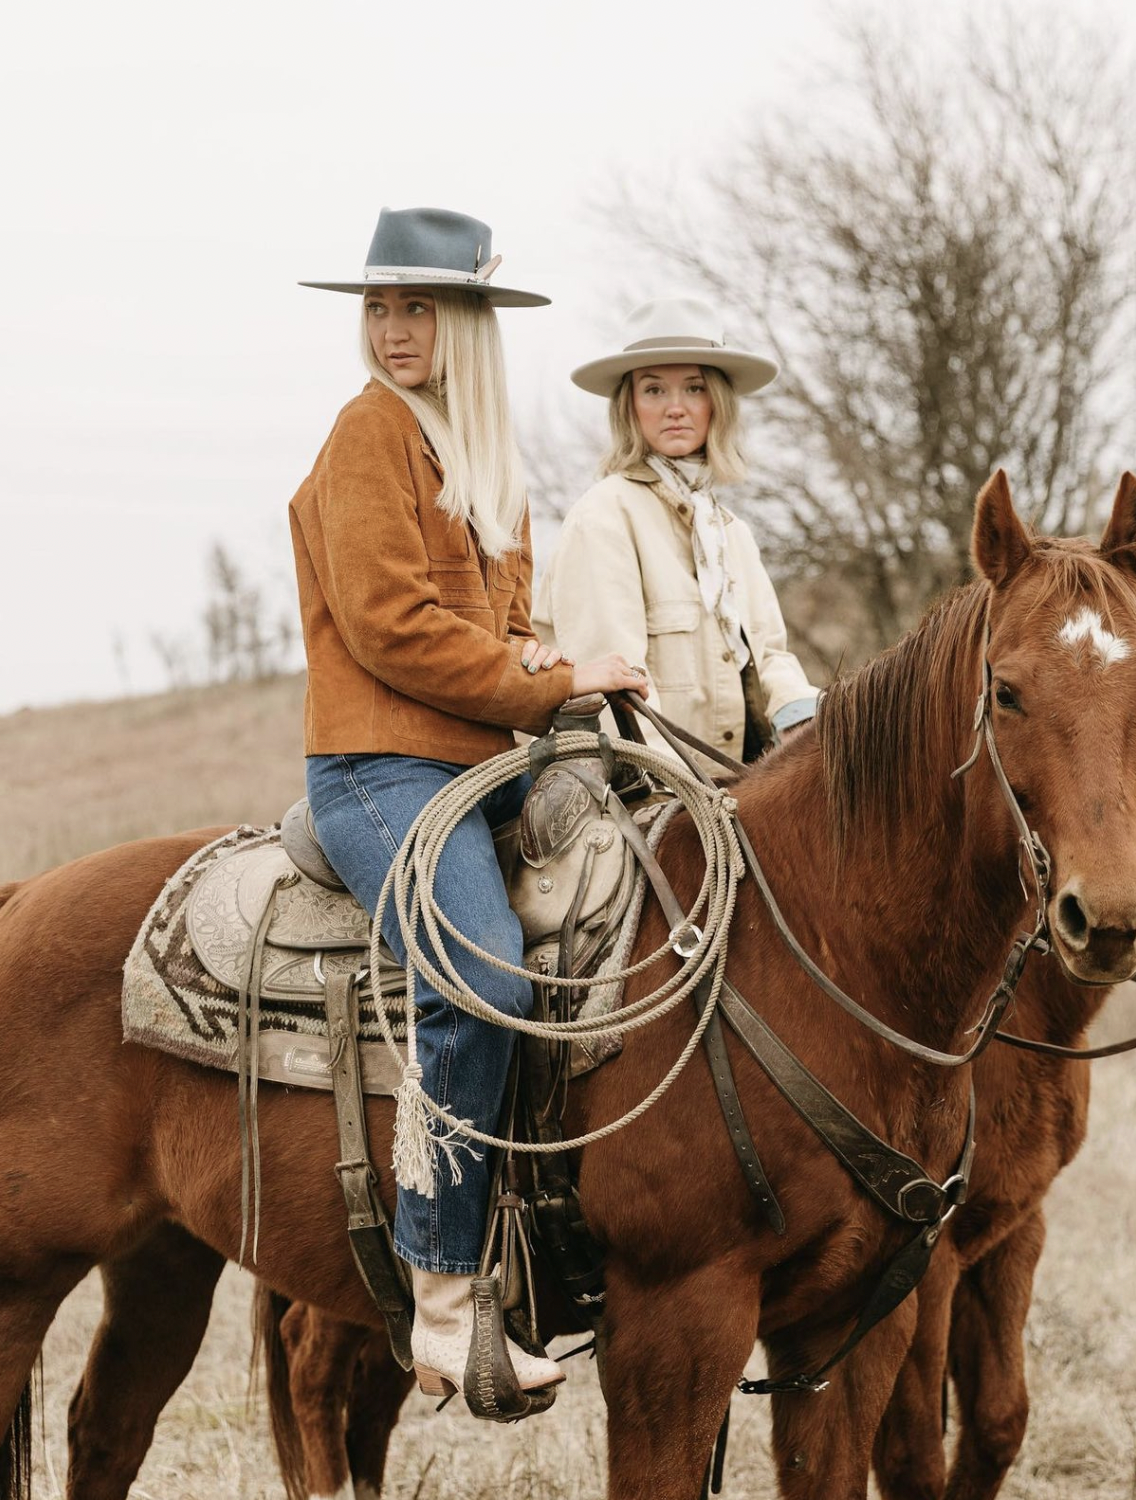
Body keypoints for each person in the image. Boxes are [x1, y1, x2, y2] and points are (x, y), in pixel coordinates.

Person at [289, 206, 647, 1401]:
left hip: (478, 764)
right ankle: (442, 1293)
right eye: (380, 309)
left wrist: (576, 682)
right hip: (379, 771)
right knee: (483, 971)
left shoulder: (485, 462)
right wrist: (549, 680)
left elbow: (503, 626)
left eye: (417, 309)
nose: (393, 331)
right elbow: (393, 626)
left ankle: (554, 1233)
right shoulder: (366, 435)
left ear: (469, 326)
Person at [534, 296, 818, 766]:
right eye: (653, 390)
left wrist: (806, 722)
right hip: (654, 790)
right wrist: (688, 792)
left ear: (717, 404)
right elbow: (619, 695)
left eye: (693, 388)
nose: (675, 408)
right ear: (630, 407)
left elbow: (771, 657)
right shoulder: (604, 516)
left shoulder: (732, 534)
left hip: (741, 782)